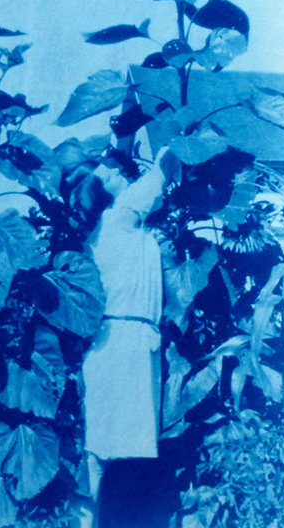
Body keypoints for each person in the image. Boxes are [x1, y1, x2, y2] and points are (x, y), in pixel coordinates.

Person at [81, 147, 178, 528]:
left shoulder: (107, 229)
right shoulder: (120, 215)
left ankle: (93, 520)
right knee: (112, 448)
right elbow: (165, 167)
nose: (112, 168)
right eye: (104, 169)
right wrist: (174, 131)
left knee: (106, 445)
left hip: (118, 338)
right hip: (124, 341)